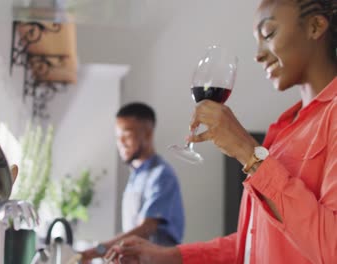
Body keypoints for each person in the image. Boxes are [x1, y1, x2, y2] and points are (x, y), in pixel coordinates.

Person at [104, 0, 337, 263]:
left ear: (316, 26)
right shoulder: (284, 128)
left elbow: (330, 246)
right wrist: (168, 255)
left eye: (269, 33)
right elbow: (258, 240)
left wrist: (249, 154)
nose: (258, 54)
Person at [81, 102, 185, 262]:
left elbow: (146, 228)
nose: (121, 142)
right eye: (118, 137)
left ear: (148, 134)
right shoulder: (136, 176)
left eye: (127, 135)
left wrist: (98, 250)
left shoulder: (162, 175)